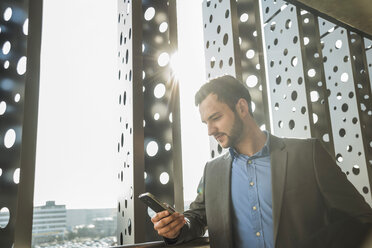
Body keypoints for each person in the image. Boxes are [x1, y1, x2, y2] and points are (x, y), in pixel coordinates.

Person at [151, 75, 372, 247]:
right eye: (205, 123)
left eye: (216, 118)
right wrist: (176, 228)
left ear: (242, 108)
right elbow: (195, 219)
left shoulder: (307, 153)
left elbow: (360, 218)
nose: (210, 130)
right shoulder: (212, 171)